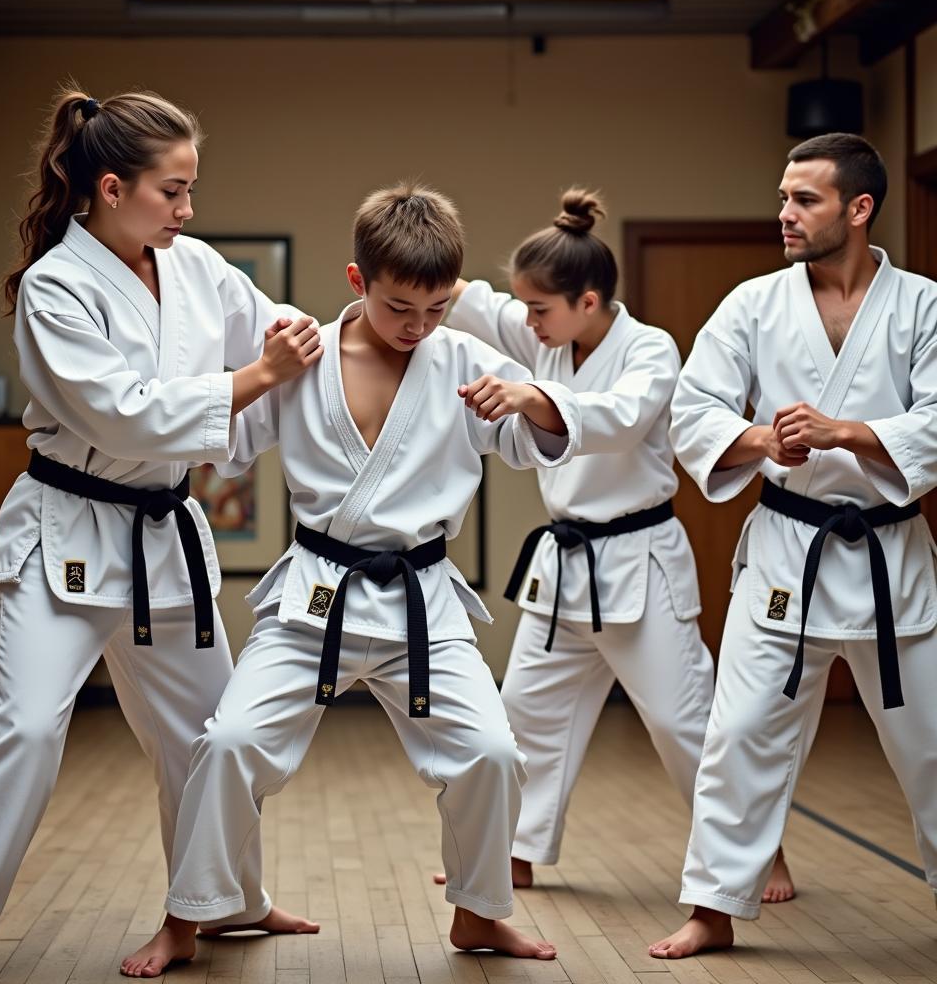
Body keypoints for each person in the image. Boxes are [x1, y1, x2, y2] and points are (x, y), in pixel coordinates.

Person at [0, 85, 321, 984]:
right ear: (109, 187)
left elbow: (285, 332)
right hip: (65, 531)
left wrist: (359, 332)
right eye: (171, 191)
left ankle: (230, 903)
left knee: (214, 736)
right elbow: (124, 417)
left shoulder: (197, 268)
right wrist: (259, 373)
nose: (187, 208)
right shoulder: (54, 289)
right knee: (20, 729)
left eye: (189, 190)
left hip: (160, 537)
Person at [121, 183, 582, 977]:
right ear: (356, 280)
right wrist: (243, 385)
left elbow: (540, 438)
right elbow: (220, 443)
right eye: (401, 306)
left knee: (493, 753)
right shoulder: (300, 356)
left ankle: (479, 912)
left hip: (421, 601)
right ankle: (186, 916)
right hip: (316, 596)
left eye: (437, 308)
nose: (418, 327)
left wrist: (532, 396)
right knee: (227, 744)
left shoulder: (467, 359)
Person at [438, 189, 796, 900]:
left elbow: (623, 419)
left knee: (681, 719)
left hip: (641, 561)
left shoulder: (652, 350)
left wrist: (530, 399)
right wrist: (408, 267)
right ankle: (513, 850)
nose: (528, 324)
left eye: (540, 310)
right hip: (565, 567)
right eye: (527, 310)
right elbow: (471, 300)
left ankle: (759, 854)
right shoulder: (549, 335)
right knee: (526, 711)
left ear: (590, 301)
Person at [649, 133, 937, 959]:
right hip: (787, 550)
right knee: (739, 733)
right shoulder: (752, 304)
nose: (783, 213)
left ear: (858, 208)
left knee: (932, 746)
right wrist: (759, 442)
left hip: (890, 561)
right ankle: (713, 906)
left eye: (802, 200)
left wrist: (846, 431)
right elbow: (693, 410)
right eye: (782, 196)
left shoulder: (922, 306)